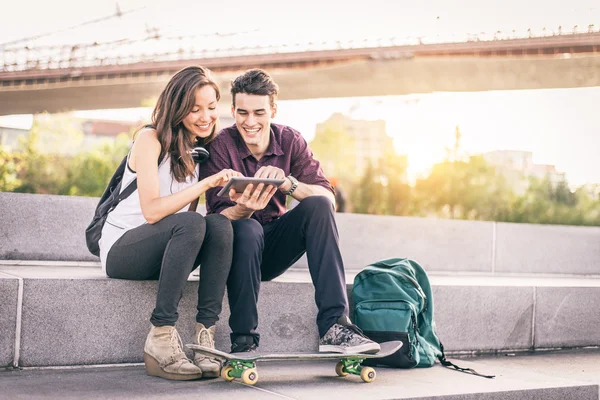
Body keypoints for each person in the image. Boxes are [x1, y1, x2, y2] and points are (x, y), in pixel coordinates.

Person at [198, 68, 380, 355]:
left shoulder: (290, 140)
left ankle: (335, 327)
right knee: (247, 227)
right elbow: (215, 222)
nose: (250, 122)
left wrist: (288, 183)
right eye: (242, 113)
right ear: (232, 110)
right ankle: (244, 339)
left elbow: (327, 198)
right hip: (237, 252)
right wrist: (244, 209)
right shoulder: (219, 145)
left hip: (274, 247)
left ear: (273, 109)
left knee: (317, 204)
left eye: (259, 112)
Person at [98, 66, 241, 380]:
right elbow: (152, 212)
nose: (206, 117)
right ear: (177, 109)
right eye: (195, 109)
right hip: (123, 250)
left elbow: (188, 225)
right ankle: (161, 337)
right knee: (191, 222)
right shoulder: (149, 139)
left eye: (211, 108)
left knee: (218, 224)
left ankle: (205, 337)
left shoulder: (197, 151)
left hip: (162, 251)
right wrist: (205, 185)